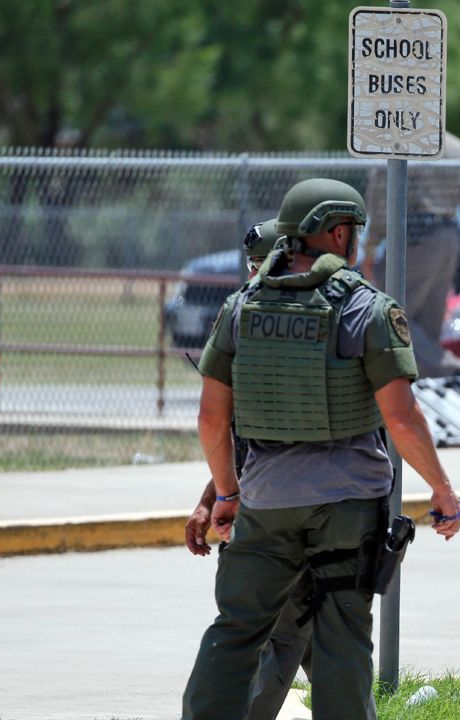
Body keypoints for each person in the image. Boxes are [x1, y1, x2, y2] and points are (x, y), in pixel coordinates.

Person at [181, 178, 460, 720]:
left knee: (237, 630)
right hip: (348, 505)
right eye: (354, 230)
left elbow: (211, 418)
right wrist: (442, 490)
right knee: (341, 638)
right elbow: (401, 417)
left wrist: (224, 492)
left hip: (264, 503)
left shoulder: (241, 307)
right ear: (337, 232)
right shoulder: (368, 309)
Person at [183, 217, 315, 720]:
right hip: (273, 505)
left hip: (296, 511)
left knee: (278, 637)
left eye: (266, 264)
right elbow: (237, 432)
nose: (257, 275)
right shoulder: (248, 320)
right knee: (324, 647)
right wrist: (210, 499)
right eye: (253, 266)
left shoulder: (316, 324)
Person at [361, 131, 460, 350]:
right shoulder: (455, 146)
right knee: (431, 322)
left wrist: (370, 247)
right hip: (448, 236)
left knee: (393, 316)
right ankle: (429, 377)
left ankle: (435, 369)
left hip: (413, 239)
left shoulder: (398, 140)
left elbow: (382, 200)